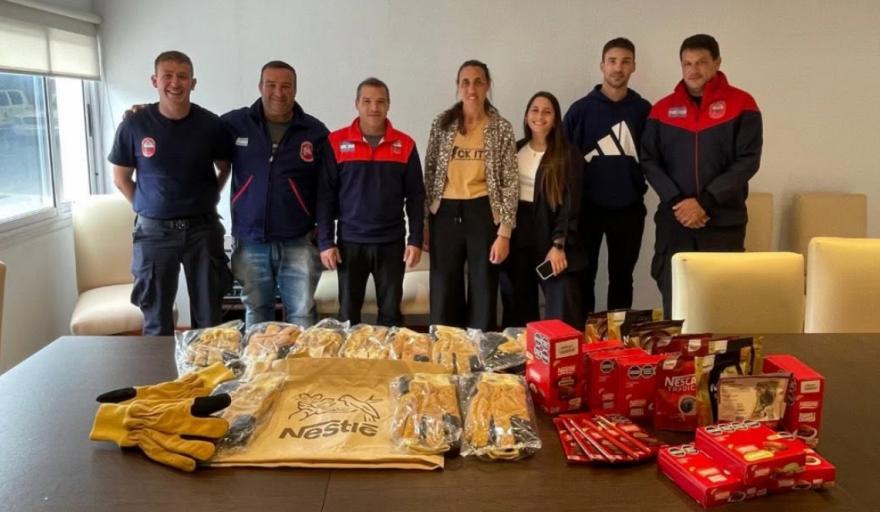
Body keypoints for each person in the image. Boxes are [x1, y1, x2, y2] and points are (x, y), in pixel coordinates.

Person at [109, 50, 233, 335]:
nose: (175, 83)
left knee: (210, 320)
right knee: (156, 321)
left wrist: (210, 197)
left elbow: (224, 167)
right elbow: (121, 178)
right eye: (167, 76)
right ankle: (161, 368)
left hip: (202, 231)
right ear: (155, 81)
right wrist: (149, 207)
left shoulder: (211, 124)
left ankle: (206, 366)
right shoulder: (134, 124)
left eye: (182, 76)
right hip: (154, 234)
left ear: (193, 82)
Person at [642, 34, 763, 317]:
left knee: (721, 304)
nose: (693, 70)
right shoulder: (661, 110)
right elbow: (649, 160)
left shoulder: (743, 104)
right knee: (675, 303)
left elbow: (748, 161)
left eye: (701, 63)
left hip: (723, 222)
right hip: (675, 222)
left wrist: (704, 202)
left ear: (717, 63)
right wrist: (679, 202)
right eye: (687, 64)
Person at [219, 61, 329, 328]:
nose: (278, 92)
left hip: (299, 241)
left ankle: (302, 359)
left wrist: (324, 234)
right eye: (271, 85)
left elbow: (327, 189)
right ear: (260, 87)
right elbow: (191, 129)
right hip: (250, 240)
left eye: (286, 86)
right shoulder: (235, 124)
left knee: (302, 314)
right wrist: (146, 114)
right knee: (257, 311)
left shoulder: (315, 132)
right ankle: (259, 358)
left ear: (295, 89)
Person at [317, 77, 425, 326]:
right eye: (367, 101)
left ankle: (389, 354)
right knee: (347, 316)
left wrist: (415, 240)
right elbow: (325, 196)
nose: (374, 107)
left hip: (391, 243)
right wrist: (325, 242)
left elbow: (416, 196)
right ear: (357, 104)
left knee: (390, 315)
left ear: (388, 105)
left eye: (380, 102)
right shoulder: (336, 142)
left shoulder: (406, 145)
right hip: (350, 243)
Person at [423, 60, 518, 330]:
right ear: (458, 86)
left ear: (487, 85)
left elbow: (510, 182)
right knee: (444, 287)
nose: (471, 88)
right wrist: (425, 223)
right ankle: (445, 347)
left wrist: (504, 232)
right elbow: (430, 173)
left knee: (483, 286)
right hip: (445, 214)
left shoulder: (501, 128)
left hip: (483, 212)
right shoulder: (442, 125)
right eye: (465, 82)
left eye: (478, 82)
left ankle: (479, 349)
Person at [563, 37, 652, 313]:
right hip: (586, 209)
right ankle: (585, 334)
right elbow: (562, 162)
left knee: (622, 279)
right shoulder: (580, 110)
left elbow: (656, 158)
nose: (618, 68)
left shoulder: (644, 111)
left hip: (629, 210)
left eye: (625, 62)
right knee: (584, 277)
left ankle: (618, 336)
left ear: (634, 66)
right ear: (602, 65)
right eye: (612, 61)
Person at [500, 92, 585, 328]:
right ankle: (520, 351)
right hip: (517, 233)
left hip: (551, 232)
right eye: (534, 110)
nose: (540, 116)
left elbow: (571, 205)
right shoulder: (514, 150)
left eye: (547, 111)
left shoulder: (568, 155)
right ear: (526, 116)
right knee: (517, 303)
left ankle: (560, 350)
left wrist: (559, 245)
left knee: (562, 298)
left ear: (555, 119)